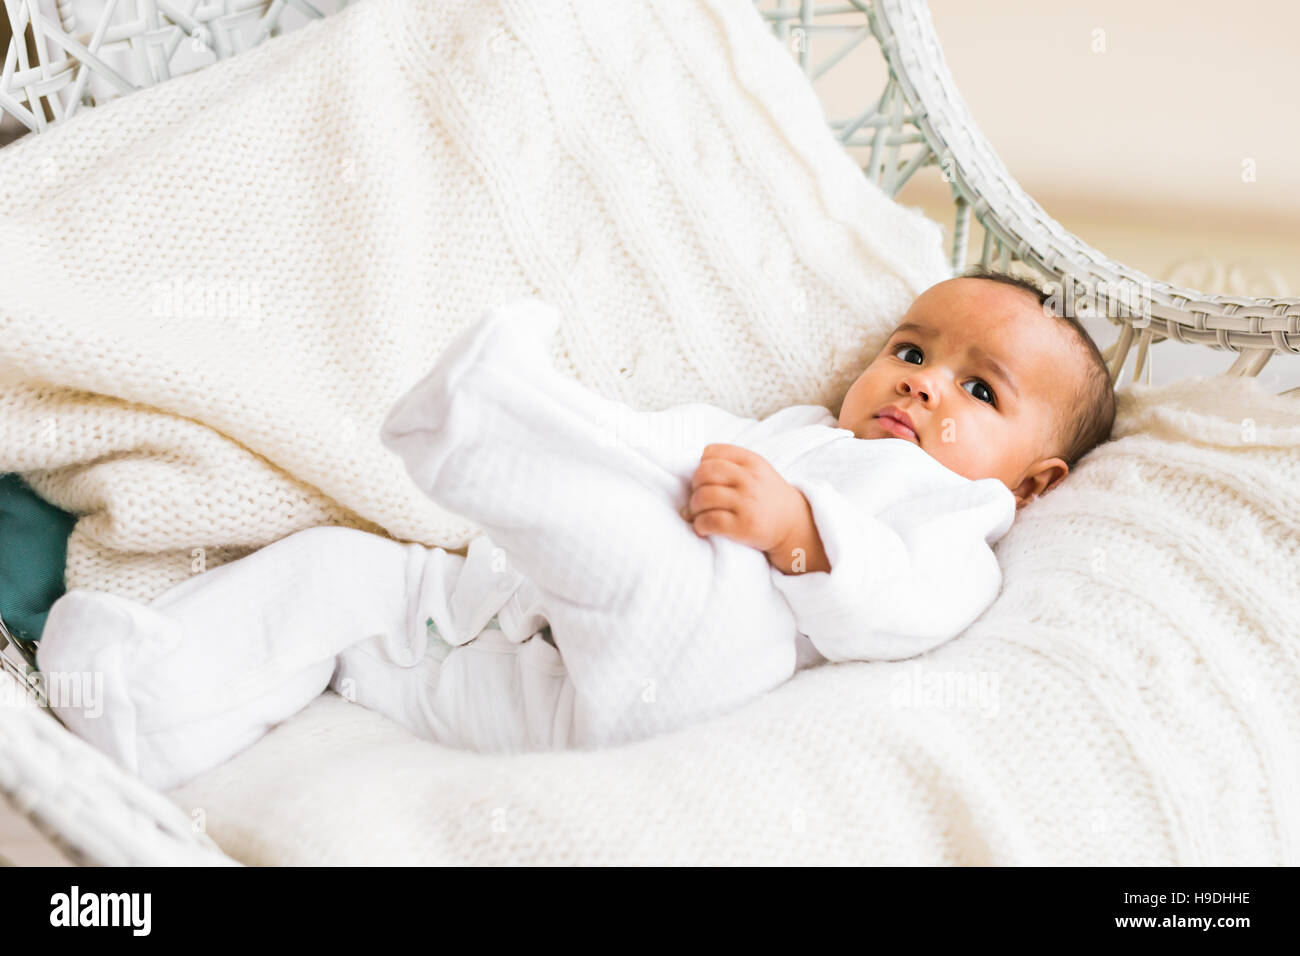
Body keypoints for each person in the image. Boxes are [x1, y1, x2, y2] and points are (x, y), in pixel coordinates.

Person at [37, 269, 1116, 790]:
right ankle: (154, 699)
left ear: (1034, 479)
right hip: (525, 682)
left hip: (689, 680)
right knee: (345, 576)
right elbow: (659, 448)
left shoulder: (957, 515)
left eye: (981, 391)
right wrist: (589, 424)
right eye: (913, 352)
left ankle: (490, 429)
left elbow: (907, 602)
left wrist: (798, 533)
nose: (925, 389)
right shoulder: (788, 429)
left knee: (672, 567)